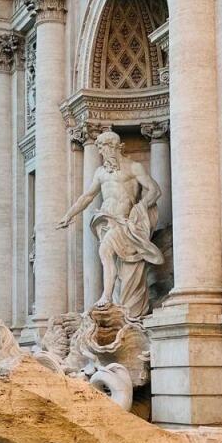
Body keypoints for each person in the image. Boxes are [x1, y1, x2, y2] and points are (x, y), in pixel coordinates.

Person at [57, 129, 163, 319]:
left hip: (124, 222)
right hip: (105, 220)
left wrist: (139, 209)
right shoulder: (100, 172)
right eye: (99, 149)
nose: (102, 154)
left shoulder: (133, 167)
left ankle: (106, 296)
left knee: (105, 251)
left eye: (104, 149)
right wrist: (69, 214)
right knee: (111, 259)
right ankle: (112, 299)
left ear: (114, 147)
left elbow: (154, 190)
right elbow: (87, 196)